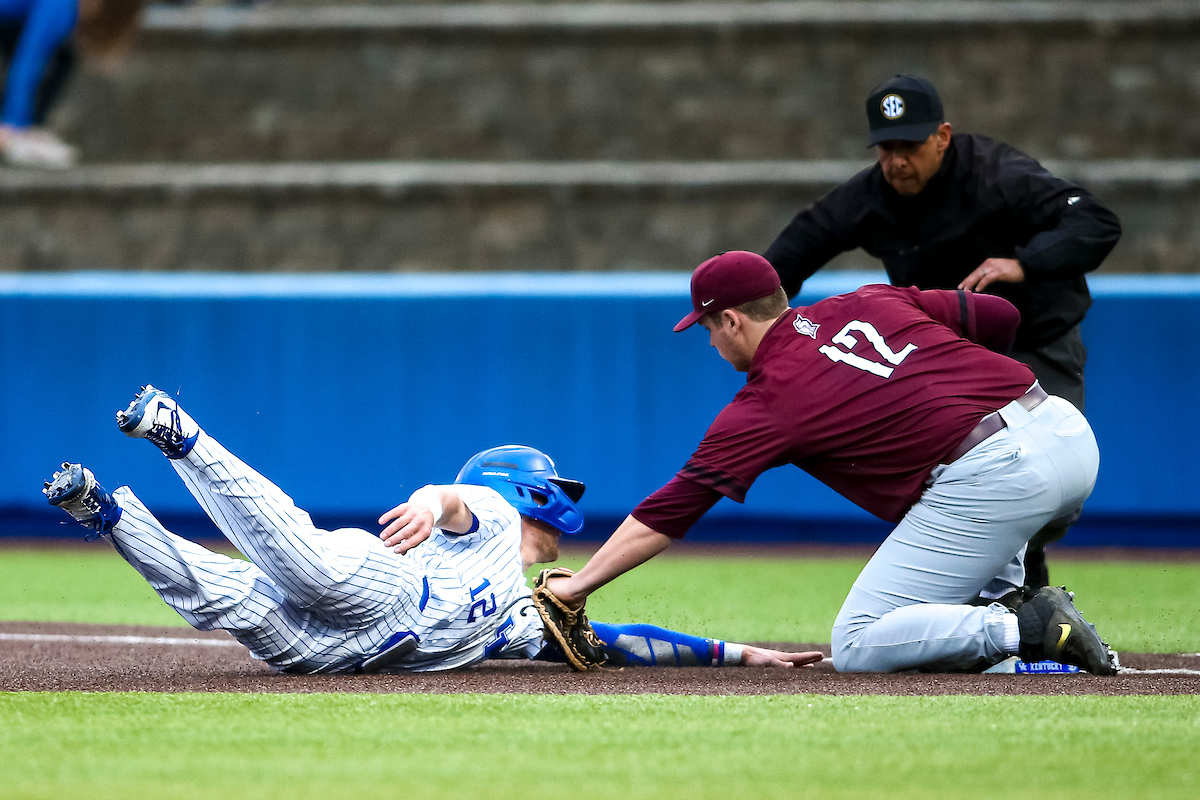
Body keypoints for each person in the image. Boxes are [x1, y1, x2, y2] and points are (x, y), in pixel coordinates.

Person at [540, 251, 1117, 675]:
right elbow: (999, 316)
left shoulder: (768, 400)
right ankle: (1022, 635)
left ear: (734, 320)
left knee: (860, 643)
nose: (711, 343)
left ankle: (1031, 626)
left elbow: (674, 507)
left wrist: (580, 585)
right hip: (1062, 427)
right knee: (951, 629)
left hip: (995, 475)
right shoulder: (870, 299)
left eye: (709, 328)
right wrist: (947, 384)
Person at [43, 384, 823, 674]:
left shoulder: (525, 613)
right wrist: (426, 499)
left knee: (226, 600)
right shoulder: (491, 516)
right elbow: (452, 500)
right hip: (385, 584)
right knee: (298, 560)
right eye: (550, 487)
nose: (561, 505)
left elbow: (615, 640)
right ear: (524, 489)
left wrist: (734, 651)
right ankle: (182, 434)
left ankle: (106, 514)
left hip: (341, 659)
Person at [763, 74, 1123, 590]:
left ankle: (1020, 583)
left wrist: (1023, 264)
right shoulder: (869, 196)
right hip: (947, 358)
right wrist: (757, 321)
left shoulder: (997, 175)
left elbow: (1096, 223)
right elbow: (789, 258)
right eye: (886, 147)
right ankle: (1003, 600)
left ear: (943, 136)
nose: (896, 161)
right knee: (961, 483)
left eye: (909, 145)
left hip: (1035, 340)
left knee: (1053, 495)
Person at [0, 0, 142, 168]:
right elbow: (30, 60)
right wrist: (13, 122)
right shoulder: (62, 4)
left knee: (67, 50)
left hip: (12, 22)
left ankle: (31, 126)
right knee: (60, 53)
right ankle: (17, 127)